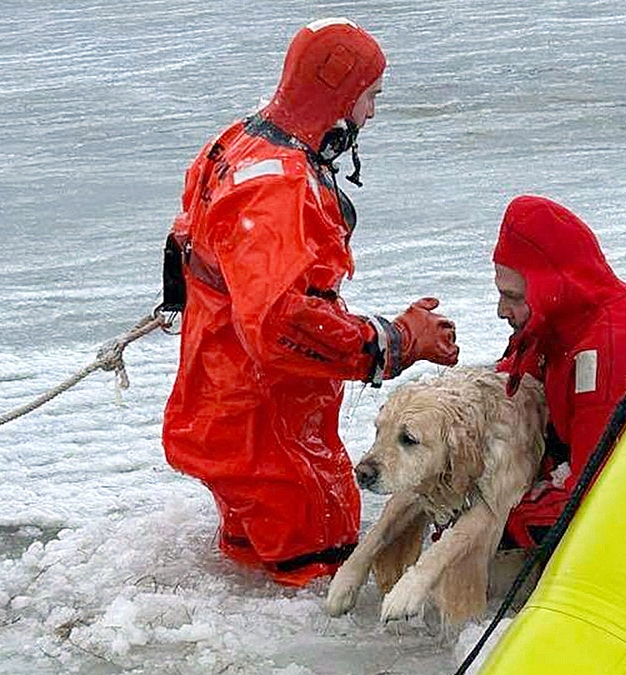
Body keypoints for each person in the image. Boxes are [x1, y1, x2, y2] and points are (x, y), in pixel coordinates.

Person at [161, 18, 460, 587]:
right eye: (370, 97)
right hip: (270, 432)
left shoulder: (237, 144)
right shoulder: (283, 188)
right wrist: (395, 341)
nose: (372, 113)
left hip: (219, 408)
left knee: (253, 573)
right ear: (339, 93)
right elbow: (278, 327)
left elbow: (186, 245)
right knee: (320, 580)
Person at [492, 194, 626, 549]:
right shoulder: (556, 324)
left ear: (550, 286)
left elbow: (596, 500)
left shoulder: (613, 352)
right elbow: (503, 390)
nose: (501, 310)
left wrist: (493, 518)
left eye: (513, 296)